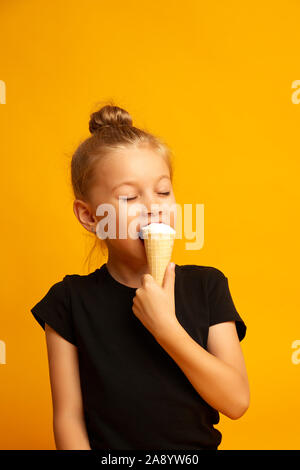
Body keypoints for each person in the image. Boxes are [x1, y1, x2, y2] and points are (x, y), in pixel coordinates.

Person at [30, 103, 249, 450]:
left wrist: (167, 328)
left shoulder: (208, 286)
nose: (154, 205)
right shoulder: (68, 302)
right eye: (129, 197)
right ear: (89, 216)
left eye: (163, 191)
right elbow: (68, 418)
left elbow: (236, 401)